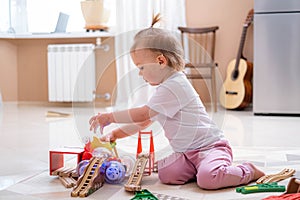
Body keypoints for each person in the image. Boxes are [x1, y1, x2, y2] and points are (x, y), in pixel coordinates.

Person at [89, 16, 265, 190]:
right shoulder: (164, 89)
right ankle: (199, 169)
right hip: (187, 154)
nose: (140, 74)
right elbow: (144, 122)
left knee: (208, 180)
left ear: (160, 61)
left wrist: (109, 117)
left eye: (141, 67)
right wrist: (115, 135)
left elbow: (143, 113)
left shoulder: (175, 85)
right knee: (166, 174)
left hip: (211, 147)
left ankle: (248, 170)